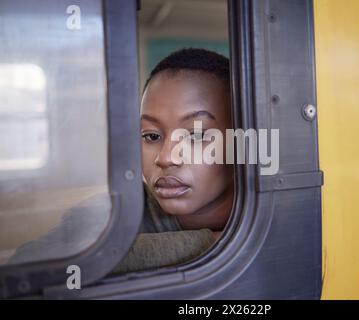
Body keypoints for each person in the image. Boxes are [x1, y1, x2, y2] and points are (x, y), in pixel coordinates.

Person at [8, 48, 234, 273]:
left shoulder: (268, 213)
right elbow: (25, 266)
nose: (165, 158)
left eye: (195, 136)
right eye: (151, 136)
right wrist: (209, 244)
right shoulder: (112, 214)